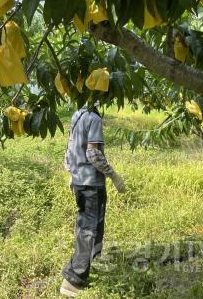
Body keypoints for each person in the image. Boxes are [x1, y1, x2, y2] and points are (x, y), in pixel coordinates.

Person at [60, 103, 126, 297]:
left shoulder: (77, 114)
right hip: (91, 184)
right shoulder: (94, 118)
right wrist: (114, 176)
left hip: (80, 181)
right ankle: (73, 280)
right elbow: (93, 153)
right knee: (89, 229)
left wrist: (71, 173)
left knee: (88, 226)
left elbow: (70, 146)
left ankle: (91, 265)